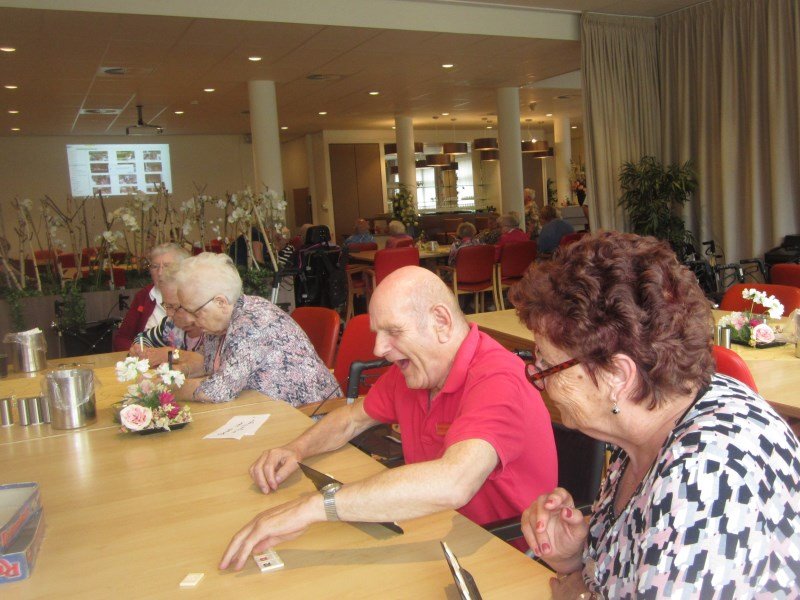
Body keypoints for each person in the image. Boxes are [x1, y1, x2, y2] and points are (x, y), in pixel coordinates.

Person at [510, 231, 800, 598]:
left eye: (548, 366)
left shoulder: (706, 479)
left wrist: (577, 592)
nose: (538, 379)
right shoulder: (648, 424)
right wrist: (575, 558)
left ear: (617, 376)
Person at [219, 266, 558, 571]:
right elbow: (351, 419)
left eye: (393, 331)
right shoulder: (416, 372)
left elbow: (454, 482)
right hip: (436, 531)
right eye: (378, 333)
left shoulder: (498, 378)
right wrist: (297, 450)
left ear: (441, 322)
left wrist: (312, 508)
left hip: (504, 557)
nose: (379, 349)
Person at [172, 252, 340, 406]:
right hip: (264, 408)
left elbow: (219, 390)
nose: (190, 319)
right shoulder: (218, 324)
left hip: (309, 413)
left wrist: (170, 388)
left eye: (195, 312)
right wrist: (180, 372)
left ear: (220, 302)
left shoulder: (252, 322)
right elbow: (211, 367)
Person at [129, 262, 204, 373]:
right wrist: (141, 349)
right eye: (167, 306)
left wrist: (171, 354)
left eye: (174, 307)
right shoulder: (171, 325)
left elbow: (211, 364)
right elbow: (143, 338)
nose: (169, 314)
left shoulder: (213, 329)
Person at [113, 243, 190, 351]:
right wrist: (140, 350)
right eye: (155, 266)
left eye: (167, 266)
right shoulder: (144, 297)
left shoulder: (198, 320)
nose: (160, 272)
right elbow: (123, 338)